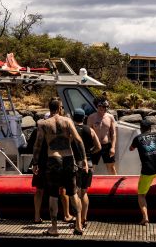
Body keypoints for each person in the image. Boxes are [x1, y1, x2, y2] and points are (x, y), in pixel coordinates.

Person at [31, 98, 83, 236]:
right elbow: (78, 140)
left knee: (53, 195)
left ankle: (54, 228)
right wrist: (82, 159)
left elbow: (37, 145)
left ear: (49, 108)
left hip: (53, 159)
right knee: (73, 193)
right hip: (68, 158)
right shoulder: (68, 121)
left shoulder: (42, 123)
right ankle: (78, 225)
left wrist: (35, 163)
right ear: (60, 108)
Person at [72, 108, 100, 229]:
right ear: (84, 118)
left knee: (76, 193)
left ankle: (77, 221)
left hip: (76, 164)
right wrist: (90, 153)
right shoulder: (90, 130)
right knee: (84, 192)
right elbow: (98, 147)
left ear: (73, 118)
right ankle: (84, 219)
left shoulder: (71, 131)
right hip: (88, 163)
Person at [88, 98, 119, 175]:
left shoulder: (110, 117)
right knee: (91, 167)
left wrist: (113, 147)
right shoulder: (91, 117)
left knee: (111, 167)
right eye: (101, 106)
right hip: (95, 145)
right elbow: (88, 133)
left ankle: (114, 185)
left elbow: (113, 133)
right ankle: (87, 185)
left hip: (107, 145)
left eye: (106, 106)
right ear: (97, 106)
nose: (103, 108)